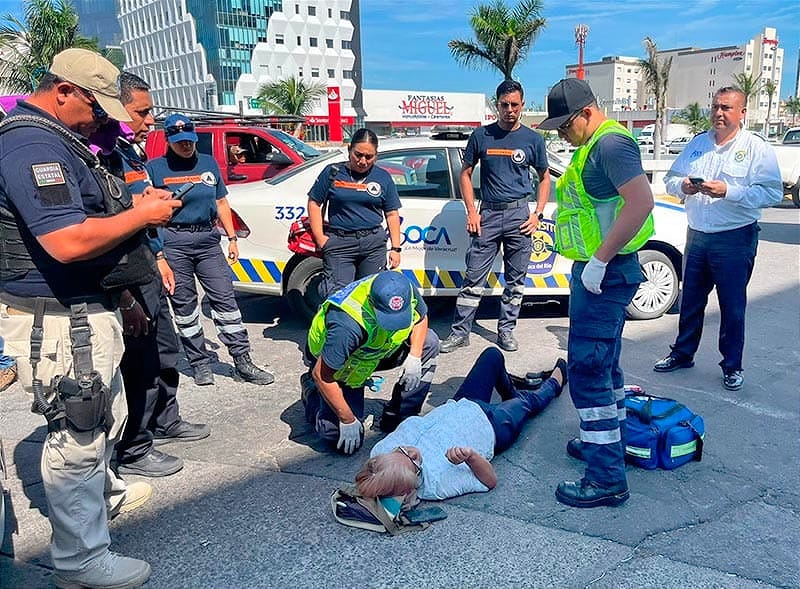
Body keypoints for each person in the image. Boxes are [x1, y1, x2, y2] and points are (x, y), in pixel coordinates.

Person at [0, 48, 182, 589]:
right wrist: (142, 214)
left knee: (103, 416)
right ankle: (80, 560)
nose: (103, 119)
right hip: (60, 316)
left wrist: (122, 292)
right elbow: (67, 240)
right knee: (78, 429)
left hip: (83, 307)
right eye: (97, 107)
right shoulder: (32, 144)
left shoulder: (59, 138)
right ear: (63, 91)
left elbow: (86, 220)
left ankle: (102, 496)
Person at [537, 78, 655, 508]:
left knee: (587, 371)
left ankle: (606, 477)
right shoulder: (594, 144)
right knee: (605, 366)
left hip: (605, 274)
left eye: (564, 125)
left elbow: (641, 202)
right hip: (599, 271)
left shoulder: (609, 144)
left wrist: (601, 260)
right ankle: (608, 443)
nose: (561, 134)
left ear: (586, 113)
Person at [93, 73, 210, 477]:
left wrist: (159, 257)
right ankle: (134, 447)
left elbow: (139, 218)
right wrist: (125, 295)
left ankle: (164, 419)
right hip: (125, 277)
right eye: (141, 112)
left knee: (164, 350)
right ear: (114, 107)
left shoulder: (126, 152)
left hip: (147, 263)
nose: (150, 120)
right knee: (138, 363)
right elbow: (109, 227)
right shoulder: (100, 157)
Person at [654, 87, 782, 391]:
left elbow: (772, 193)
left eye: (726, 108)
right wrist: (684, 185)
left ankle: (732, 366)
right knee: (691, 301)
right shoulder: (698, 144)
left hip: (734, 238)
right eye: (715, 107)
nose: (719, 113)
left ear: (742, 113)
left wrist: (729, 191)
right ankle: (683, 354)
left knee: (732, 306)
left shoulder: (756, 148)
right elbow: (670, 179)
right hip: (698, 235)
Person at [146, 113, 273, 386]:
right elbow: (148, 216)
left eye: (189, 140)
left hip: (207, 241)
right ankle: (199, 363)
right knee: (185, 306)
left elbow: (221, 203)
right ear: (168, 140)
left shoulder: (208, 163)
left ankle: (242, 360)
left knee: (226, 300)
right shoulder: (155, 169)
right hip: (174, 242)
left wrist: (233, 238)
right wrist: (159, 256)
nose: (186, 145)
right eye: (180, 142)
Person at [355, 347, 566, 501]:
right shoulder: (435, 484)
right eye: (415, 464)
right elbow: (489, 481)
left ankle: (511, 395)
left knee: (492, 356)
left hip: (460, 404)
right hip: (492, 426)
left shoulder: (379, 451)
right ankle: (557, 379)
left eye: (402, 451)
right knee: (530, 401)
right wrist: (471, 457)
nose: (413, 453)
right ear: (410, 489)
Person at [439, 80, 551, 354]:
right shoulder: (481, 136)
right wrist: (471, 212)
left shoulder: (533, 139)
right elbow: (465, 174)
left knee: (515, 281)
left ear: (522, 105)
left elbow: (545, 177)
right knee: (473, 279)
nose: (509, 110)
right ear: (496, 104)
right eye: (504, 105)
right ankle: (460, 333)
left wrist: (537, 213)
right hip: (487, 215)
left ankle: (506, 331)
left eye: (514, 105)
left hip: (519, 217)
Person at [302, 271, 439, 454]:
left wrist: (414, 356)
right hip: (342, 364)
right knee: (338, 438)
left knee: (429, 341)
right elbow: (323, 375)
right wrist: (347, 419)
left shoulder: (403, 289)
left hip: (378, 350)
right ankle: (311, 390)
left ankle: (400, 415)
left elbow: (421, 318)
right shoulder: (346, 326)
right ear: (372, 304)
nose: (395, 325)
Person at [307, 128, 402, 299]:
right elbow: (314, 203)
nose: (363, 161)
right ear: (349, 149)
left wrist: (395, 248)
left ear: (376, 156)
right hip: (340, 244)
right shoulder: (332, 172)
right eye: (358, 155)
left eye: (369, 157)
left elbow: (392, 214)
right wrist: (320, 238)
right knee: (338, 297)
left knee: (370, 295)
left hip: (373, 245)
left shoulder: (383, 177)